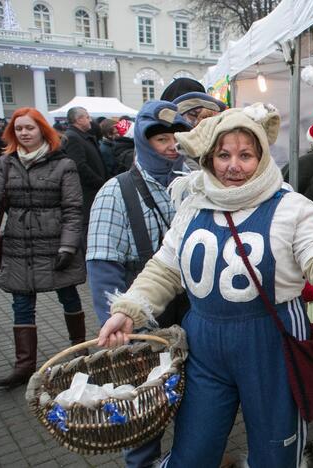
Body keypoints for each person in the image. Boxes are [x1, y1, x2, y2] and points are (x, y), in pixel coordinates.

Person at [97, 104, 313, 467]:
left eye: (245, 155)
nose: (233, 166)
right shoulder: (193, 204)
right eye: (223, 155)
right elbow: (165, 268)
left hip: (271, 342)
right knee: (193, 451)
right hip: (204, 343)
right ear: (209, 157)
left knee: (275, 454)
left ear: (262, 156)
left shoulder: (291, 207)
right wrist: (128, 310)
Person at [86, 100, 191, 468]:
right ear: (144, 142)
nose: (172, 146)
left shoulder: (195, 185)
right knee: (142, 422)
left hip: (192, 324)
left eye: (176, 137)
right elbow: (102, 268)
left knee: (191, 413)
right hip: (142, 330)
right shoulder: (114, 192)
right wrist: (122, 336)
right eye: (162, 139)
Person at [0, 108, 87, 388]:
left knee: (68, 295)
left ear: (42, 129)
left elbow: (72, 208)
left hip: (55, 240)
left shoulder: (63, 164)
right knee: (21, 303)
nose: (23, 133)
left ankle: (79, 352)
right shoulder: (6, 163)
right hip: (18, 242)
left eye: (29, 128)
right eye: (18, 129)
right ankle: (24, 366)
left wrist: (68, 245)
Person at [63, 106, 108, 228]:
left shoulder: (81, 136)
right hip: (87, 196)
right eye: (87, 117)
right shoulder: (73, 137)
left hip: (92, 192)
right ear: (79, 119)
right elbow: (79, 166)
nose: (90, 121)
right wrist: (100, 183)